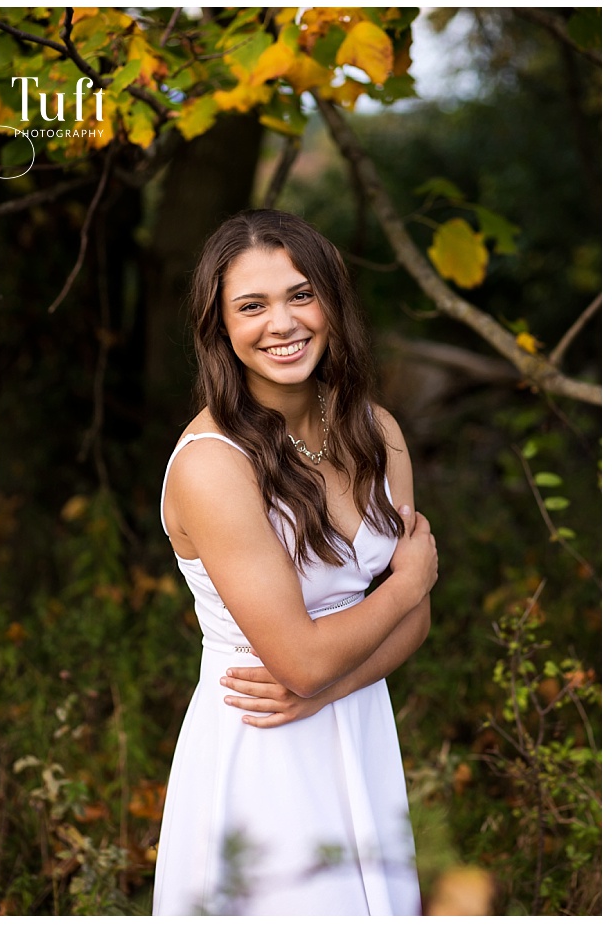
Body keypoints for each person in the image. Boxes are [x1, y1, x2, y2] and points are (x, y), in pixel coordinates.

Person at [154, 210, 435, 915]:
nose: (282, 323)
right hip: (263, 740)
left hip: (358, 719)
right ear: (220, 327)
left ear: (332, 302)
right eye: (252, 306)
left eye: (300, 295)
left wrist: (330, 690)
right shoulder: (213, 466)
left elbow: (414, 626)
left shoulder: (376, 432)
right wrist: (406, 584)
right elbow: (298, 662)